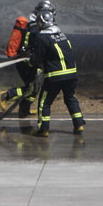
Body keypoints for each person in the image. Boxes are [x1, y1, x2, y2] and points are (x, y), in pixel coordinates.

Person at [31, 9, 85, 137]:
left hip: (54, 76)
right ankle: (79, 125)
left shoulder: (42, 37)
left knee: (44, 103)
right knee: (70, 98)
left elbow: (37, 59)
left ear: (42, 23)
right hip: (72, 74)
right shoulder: (61, 34)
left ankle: (43, 129)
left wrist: (30, 60)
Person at [0, 0, 56, 117]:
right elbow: (38, 46)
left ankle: (24, 110)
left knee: (33, 87)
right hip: (27, 62)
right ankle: (6, 95)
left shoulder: (32, 24)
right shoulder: (36, 28)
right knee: (32, 88)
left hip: (27, 60)